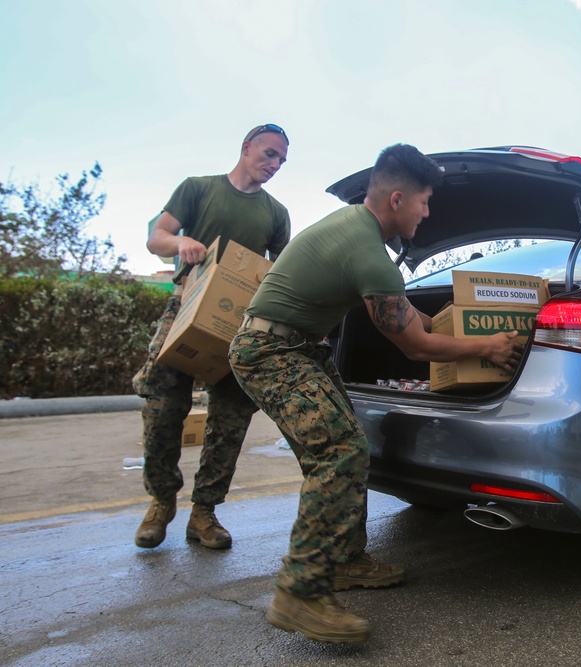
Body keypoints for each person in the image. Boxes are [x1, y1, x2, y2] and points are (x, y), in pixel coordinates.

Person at [228, 144, 522, 644]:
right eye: (425, 202)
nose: (428, 213)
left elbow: (411, 317)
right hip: (270, 353)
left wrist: (459, 320)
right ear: (398, 199)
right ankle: (300, 592)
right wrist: (487, 345)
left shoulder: (356, 231)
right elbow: (415, 345)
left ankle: (343, 559)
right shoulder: (366, 250)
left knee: (348, 445)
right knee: (338, 453)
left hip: (298, 350)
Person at [132, 124, 291, 550]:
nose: (274, 165)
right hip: (186, 304)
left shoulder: (276, 213)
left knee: (232, 414)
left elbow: (279, 273)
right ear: (246, 148)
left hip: (242, 321)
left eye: (281, 160)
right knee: (163, 404)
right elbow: (156, 238)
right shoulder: (198, 189)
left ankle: (204, 512)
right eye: (269, 154)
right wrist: (180, 240)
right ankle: (162, 501)